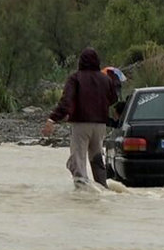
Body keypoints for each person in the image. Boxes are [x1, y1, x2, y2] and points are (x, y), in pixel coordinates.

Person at [43, 48, 117, 188]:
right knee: (96, 158)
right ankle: (102, 187)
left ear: (81, 61)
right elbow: (113, 98)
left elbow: (66, 101)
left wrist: (53, 118)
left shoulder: (75, 78)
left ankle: (82, 191)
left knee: (78, 160)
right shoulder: (106, 79)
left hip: (81, 124)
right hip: (100, 125)